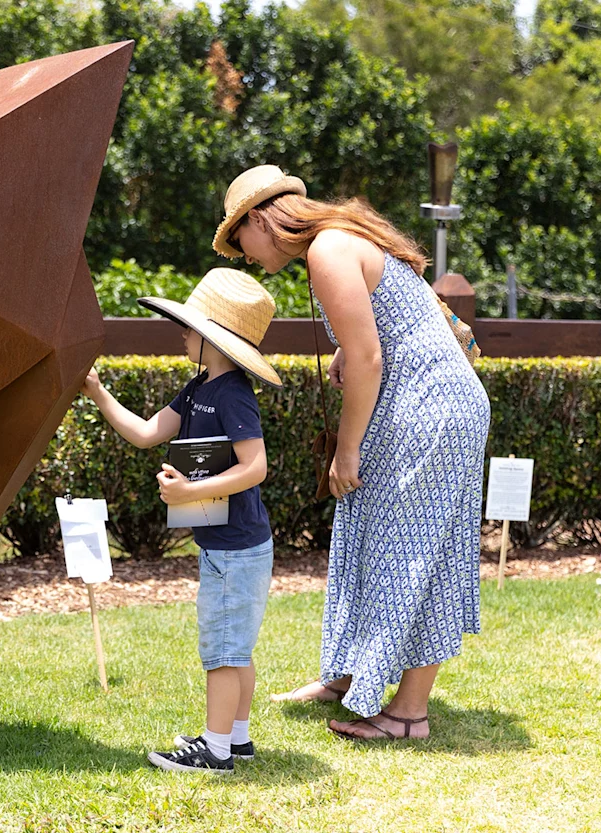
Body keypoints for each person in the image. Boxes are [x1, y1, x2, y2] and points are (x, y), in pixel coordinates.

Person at [212, 165, 490, 741]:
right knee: (365, 530)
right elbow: (385, 329)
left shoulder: (329, 251)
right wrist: (349, 356)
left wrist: (347, 448)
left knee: (415, 550)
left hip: (430, 410)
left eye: (239, 239)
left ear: (261, 219)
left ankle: (409, 714)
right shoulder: (341, 242)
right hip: (426, 404)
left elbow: (369, 360)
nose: (242, 253)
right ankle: (343, 674)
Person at [80, 268, 281, 773]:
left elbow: (255, 467)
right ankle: (236, 738)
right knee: (236, 648)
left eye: (190, 327)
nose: (183, 333)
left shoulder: (233, 392)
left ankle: (214, 753)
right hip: (226, 546)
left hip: (237, 548)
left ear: (215, 337)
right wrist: (99, 394)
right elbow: (148, 433)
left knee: (222, 651)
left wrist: (189, 491)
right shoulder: (197, 388)